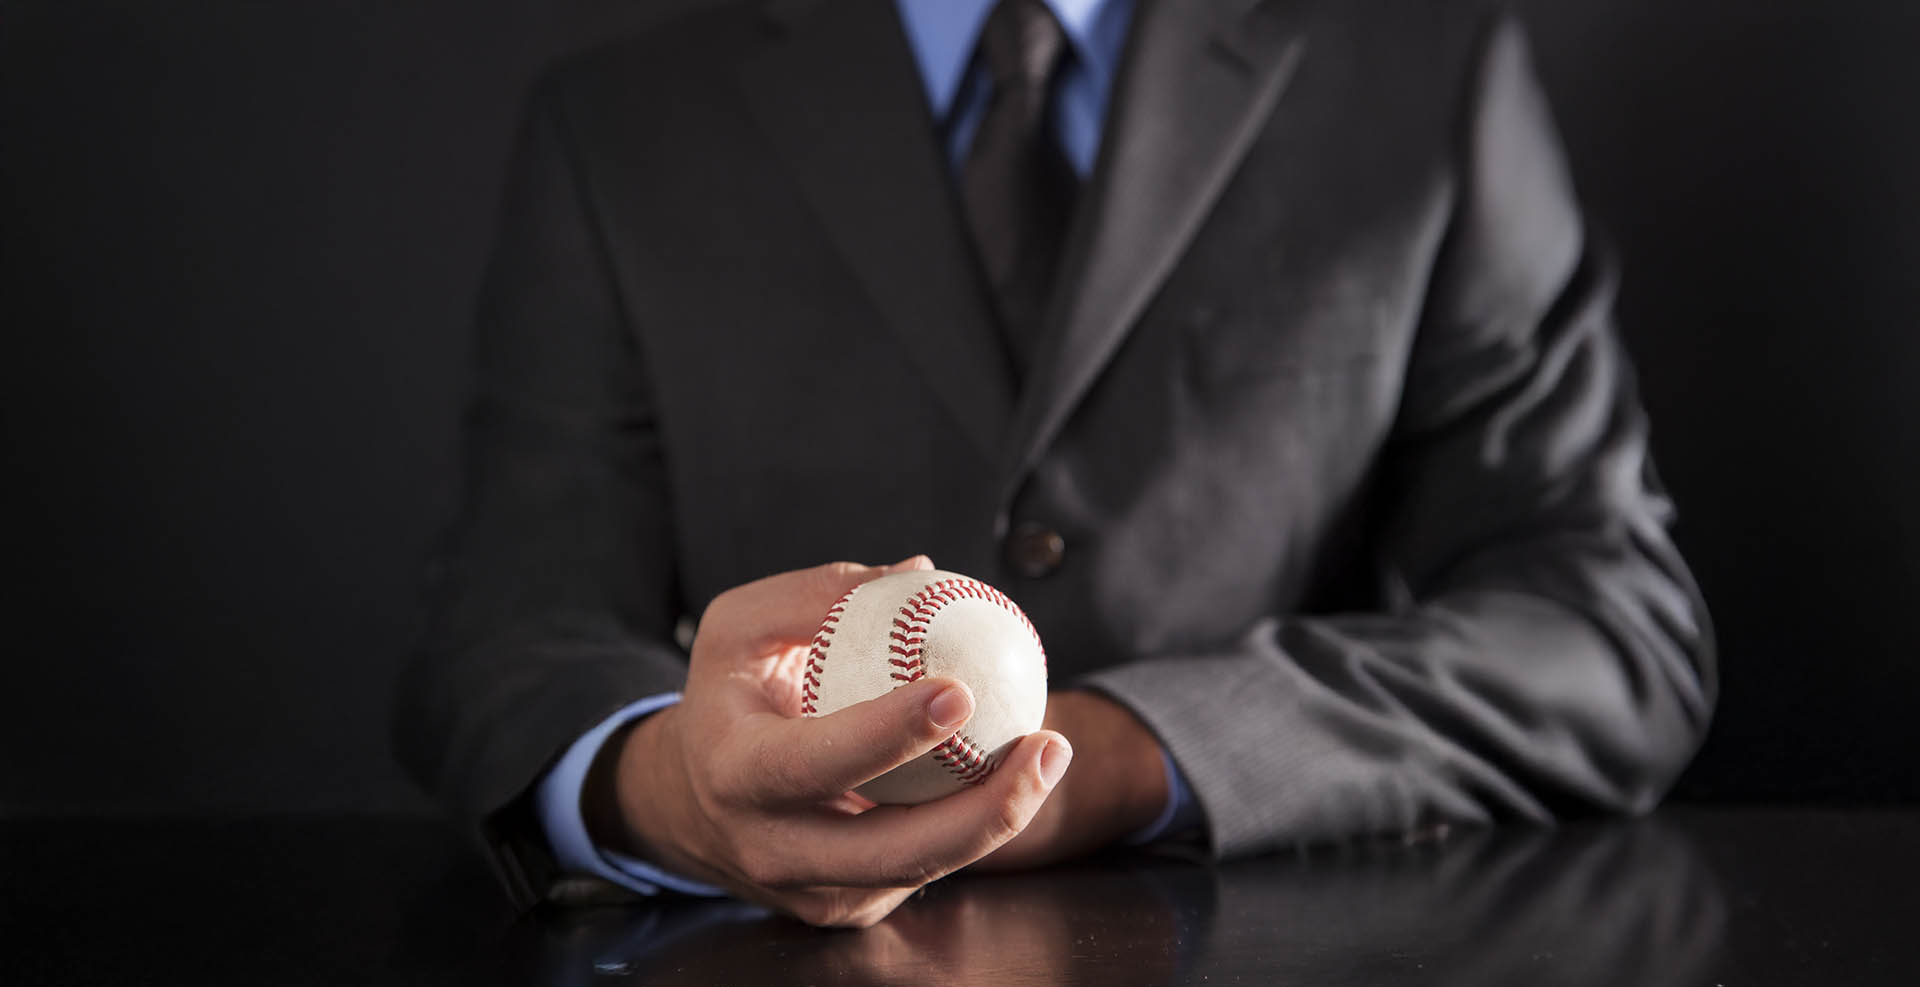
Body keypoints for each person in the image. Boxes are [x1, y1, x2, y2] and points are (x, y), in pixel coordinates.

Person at [395, 0, 1715, 925]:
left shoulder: (1427, 80)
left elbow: (1609, 630)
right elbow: (508, 636)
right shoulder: (625, 125)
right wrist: (675, 789)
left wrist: (1120, 756)